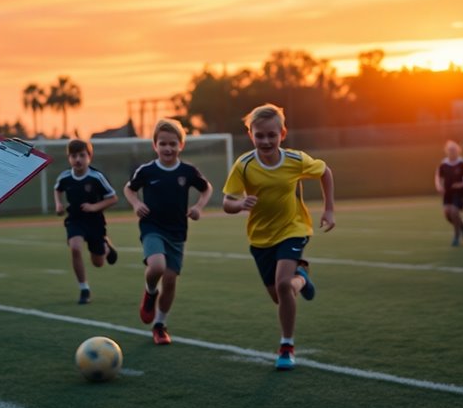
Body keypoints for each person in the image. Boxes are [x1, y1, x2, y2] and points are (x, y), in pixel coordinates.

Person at [222, 104, 335, 371]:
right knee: (280, 295)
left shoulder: (296, 160)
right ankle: (302, 278)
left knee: (283, 286)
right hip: (260, 238)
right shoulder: (244, 165)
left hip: (293, 228)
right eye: (259, 135)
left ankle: (286, 346)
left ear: (282, 133)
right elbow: (227, 201)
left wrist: (329, 209)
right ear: (250, 134)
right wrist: (240, 205)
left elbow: (325, 172)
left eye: (271, 135)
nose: (266, 141)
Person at [124, 119, 212, 344]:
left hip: (177, 232)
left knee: (171, 280)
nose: (168, 148)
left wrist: (198, 207)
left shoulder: (188, 171)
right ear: (155, 145)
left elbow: (206, 188)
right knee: (157, 266)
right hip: (152, 227)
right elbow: (129, 189)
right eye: (163, 143)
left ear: (181, 145)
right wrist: (136, 204)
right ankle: (150, 292)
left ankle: (160, 325)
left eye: (173, 143)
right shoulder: (146, 170)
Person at [54, 138, 119, 304]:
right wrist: (59, 204)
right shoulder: (65, 177)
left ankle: (105, 246)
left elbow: (113, 198)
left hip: (95, 222)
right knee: (75, 248)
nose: (77, 159)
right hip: (75, 220)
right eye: (74, 156)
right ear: (69, 158)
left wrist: (95, 207)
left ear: (89, 157)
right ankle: (84, 289)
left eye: (82, 155)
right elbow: (57, 189)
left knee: (98, 263)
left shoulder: (96, 177)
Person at [434, 140, 463, 246]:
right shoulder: (444, 163)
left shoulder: (462, 163)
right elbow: (438, 177)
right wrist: (439, 186)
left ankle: (456, 237)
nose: (452, 152)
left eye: (454, 150)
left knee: (454, 212)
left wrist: (460, 184)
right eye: (450, 150)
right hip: (447, 193)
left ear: (458, 150)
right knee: (447, 215)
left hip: (459, 193)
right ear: (446, 151)